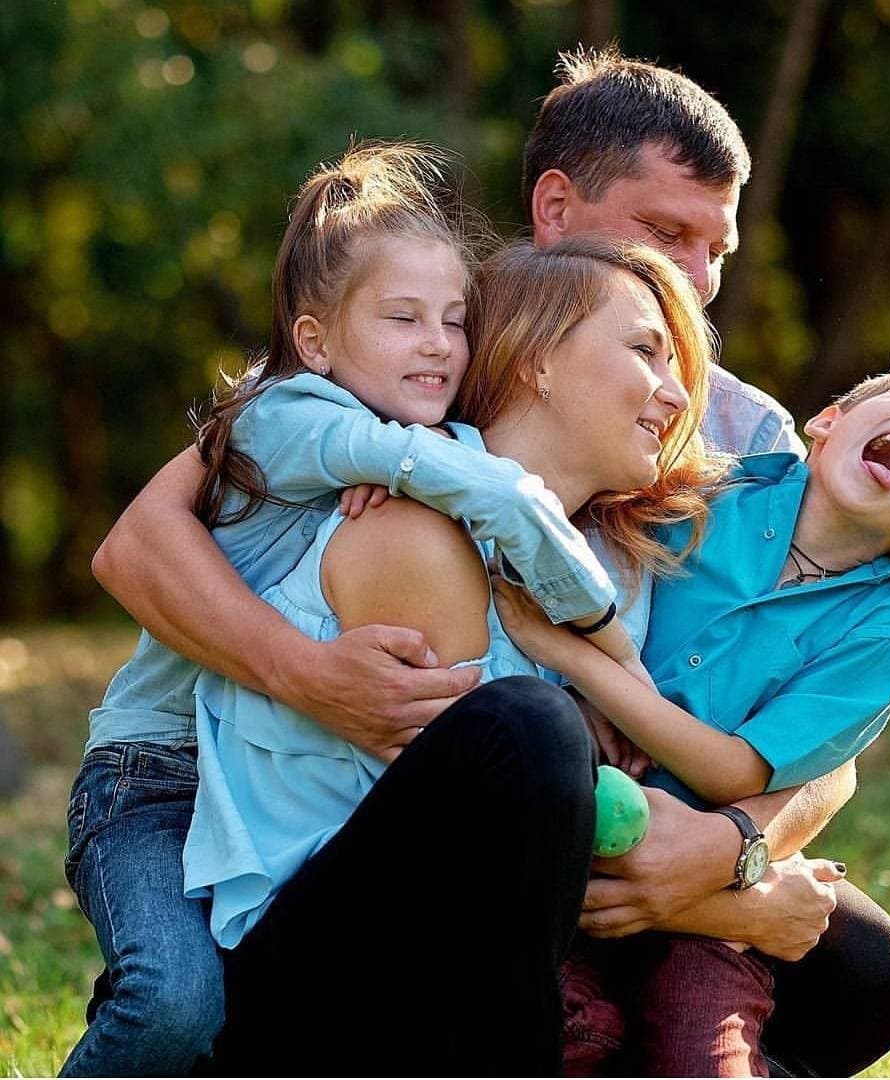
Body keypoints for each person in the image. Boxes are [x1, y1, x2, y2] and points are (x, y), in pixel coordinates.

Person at [90, 46, 890, 1077]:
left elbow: (814, 709)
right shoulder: (400, 352)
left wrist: (729, 858)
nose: (699, 286)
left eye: (719, 251)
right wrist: (305, 670)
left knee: (865, 968)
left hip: (628, 817)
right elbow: (137, 541)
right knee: (521, 742)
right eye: (666, 234)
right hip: (323, 827)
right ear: (557, 207)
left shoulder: (737, 433)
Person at [61, 143, 644, 1076]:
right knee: (171, 1002)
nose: (439, 345)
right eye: (404, 318)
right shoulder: (286, 413)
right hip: (156, 775)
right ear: (317, 340)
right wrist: (605, 636)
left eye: (456, 322)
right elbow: (503, 498)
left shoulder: (403, 443)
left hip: (268, 777)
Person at [184, 235, 718, 1074]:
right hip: (304, 989)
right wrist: (589, 697)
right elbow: (492, 836)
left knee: (857, 963)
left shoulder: (600, 566)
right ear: (539, 360)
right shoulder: (411, 527)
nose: (677, 392)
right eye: (645, 350)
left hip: (439, 963)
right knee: (532, 727)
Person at [494, 362, 890, 1074]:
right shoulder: (705, 490)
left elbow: (734, 769)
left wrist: (593, 672)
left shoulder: (881, 635)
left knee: (703, 1055)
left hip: (715, 897)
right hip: (576, 842)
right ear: (829, 420)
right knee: (576, 1036)